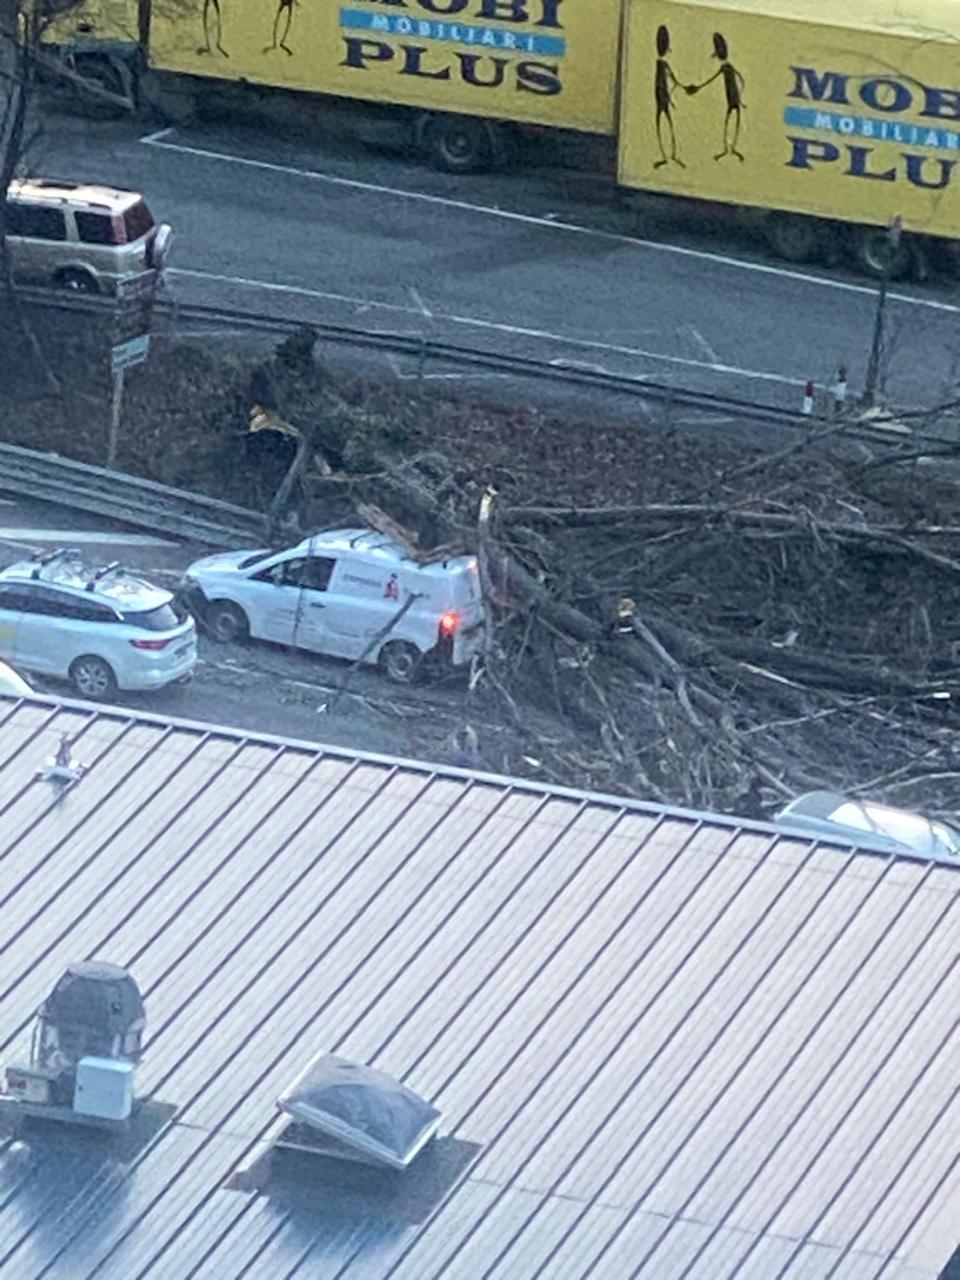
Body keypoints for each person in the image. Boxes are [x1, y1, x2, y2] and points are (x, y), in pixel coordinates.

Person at [687, 32, 745, 161]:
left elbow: (713, 79)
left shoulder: (726, 68)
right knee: (732, 121)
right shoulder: (727, 67)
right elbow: (740, 80)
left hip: (733, 97)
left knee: (730, 122)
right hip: (733, 97)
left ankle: (731, 148)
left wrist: (699, 87)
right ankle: (730, 148)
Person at [653, 25, 686, 169]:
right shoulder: (662, 64)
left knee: (664, 124)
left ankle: (670, 155)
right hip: (662, 95)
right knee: (665, 124)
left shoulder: (660, 64)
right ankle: (668, 156)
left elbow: (668, 80)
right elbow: (671, 79)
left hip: (661, 95)